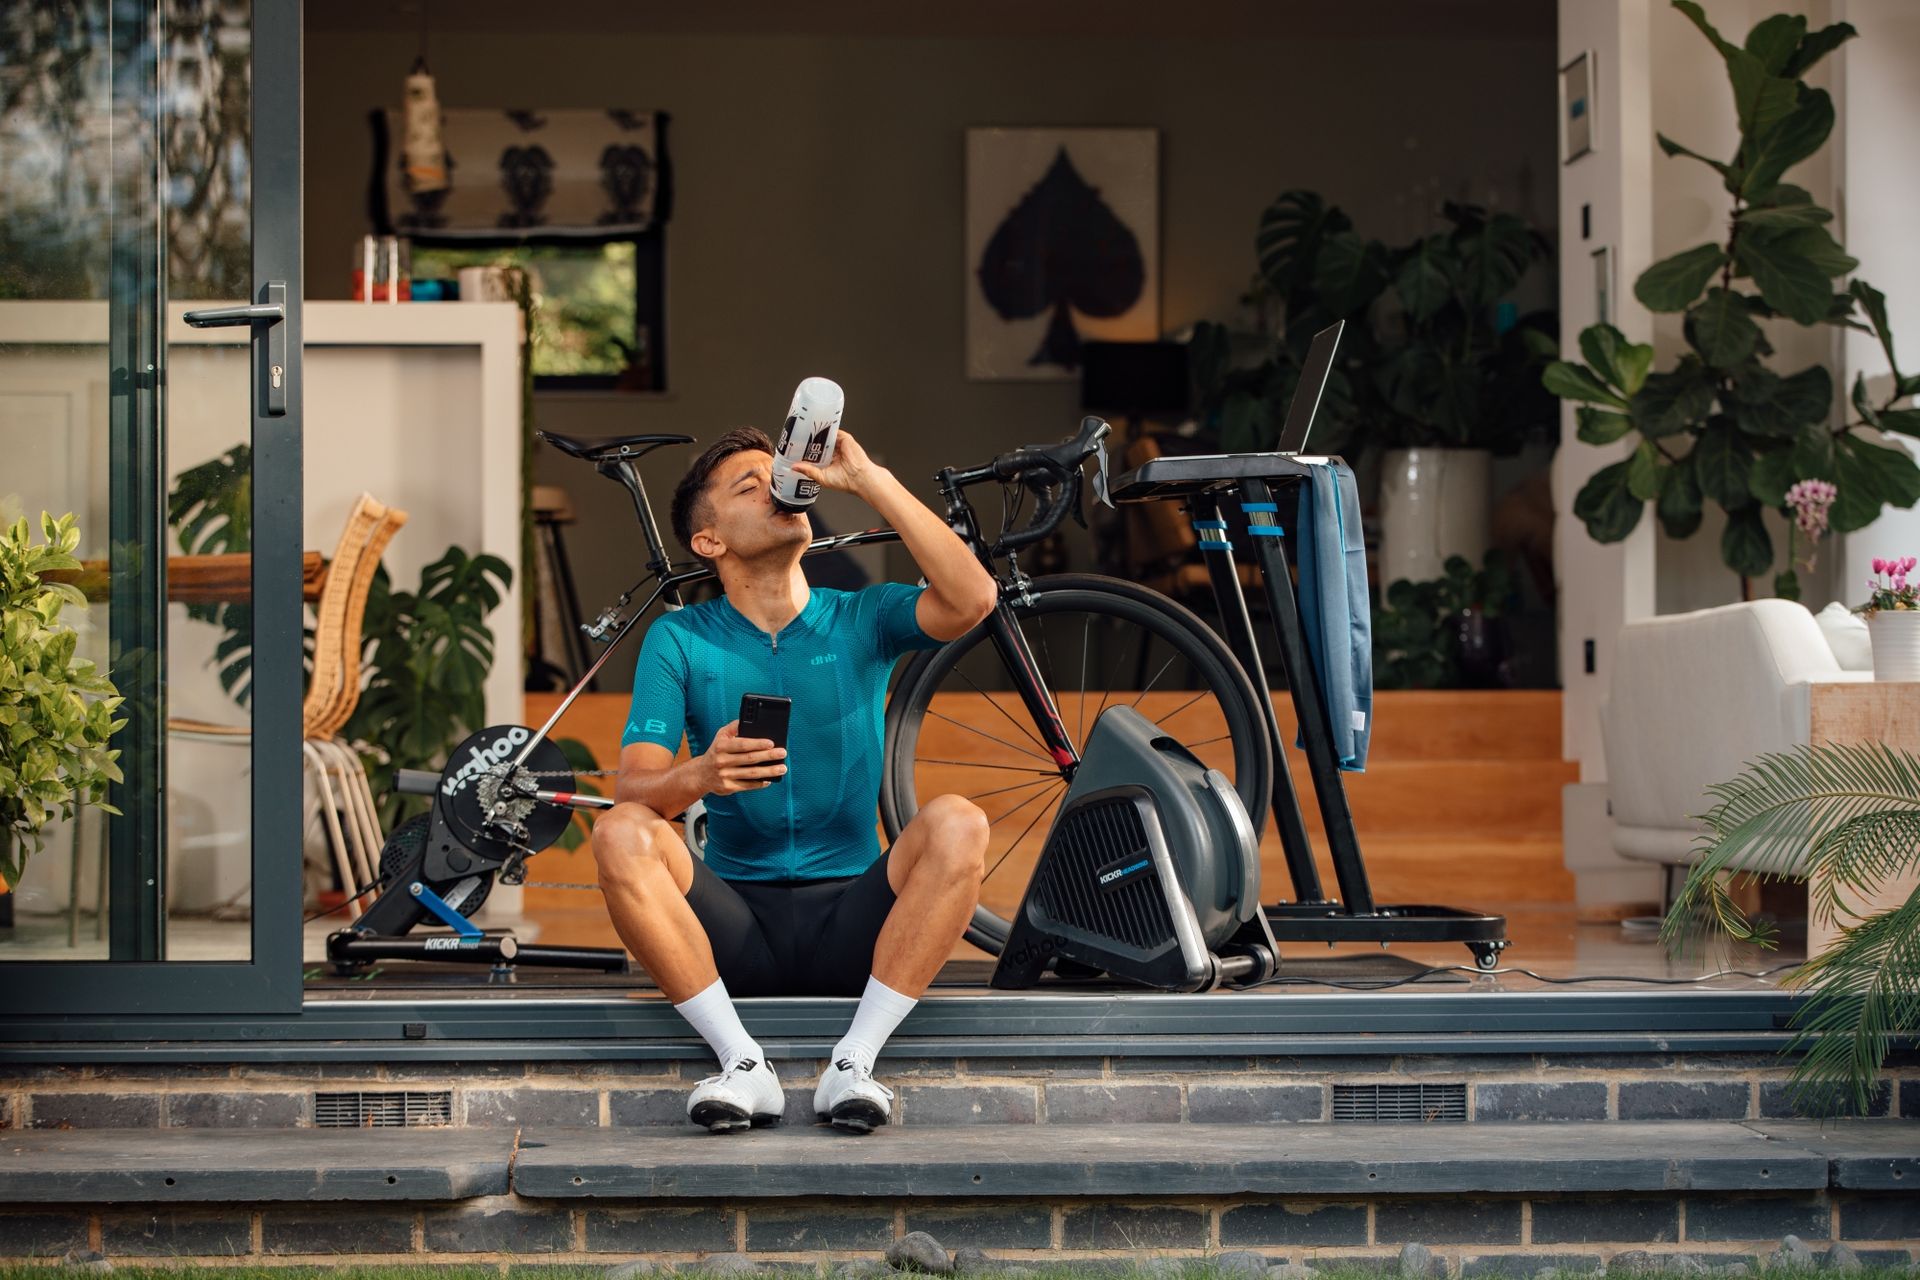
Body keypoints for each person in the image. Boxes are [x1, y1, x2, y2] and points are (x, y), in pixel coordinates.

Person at [590, 424, 998, 1135]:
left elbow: (973, 598)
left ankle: (856, 1062)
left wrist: (867, 477)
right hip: (732, 930)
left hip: (853, 924)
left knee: (959, 821)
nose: (777, 488)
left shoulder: (862, 618)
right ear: (709, 541)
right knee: (620, 832)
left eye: (779, 478)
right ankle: (741, 1063)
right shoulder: (680, 639)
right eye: (749, 486)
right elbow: (634, 788)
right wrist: (701, 775)